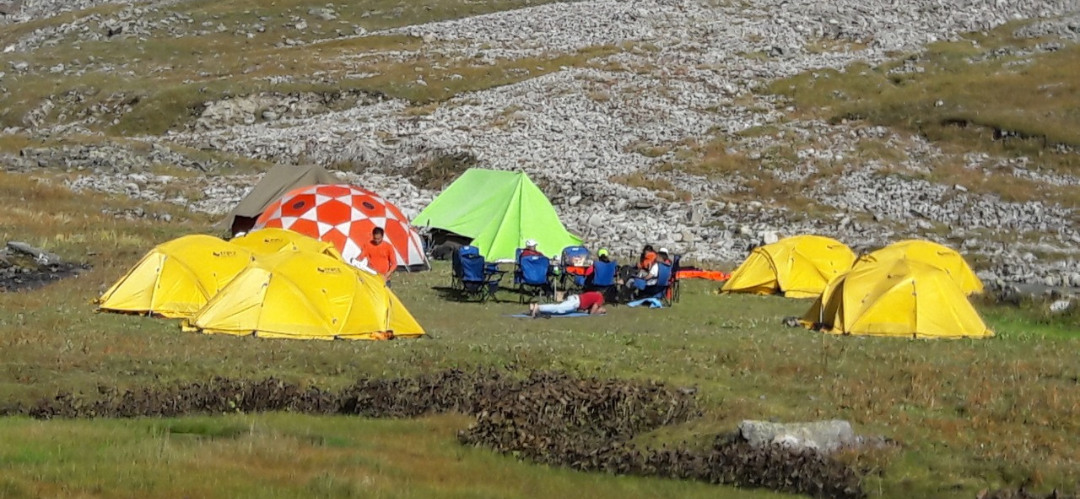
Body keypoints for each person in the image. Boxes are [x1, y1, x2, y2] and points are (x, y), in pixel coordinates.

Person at [528, 290, 606, 317]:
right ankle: (538, 307)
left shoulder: (596, 295)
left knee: (559, 308)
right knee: (559, 309)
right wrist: (600, 311)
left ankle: (534, 308)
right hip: (576, 302)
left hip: (575, 299)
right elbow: (592, 312)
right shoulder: (600, 298)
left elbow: (588, 310)